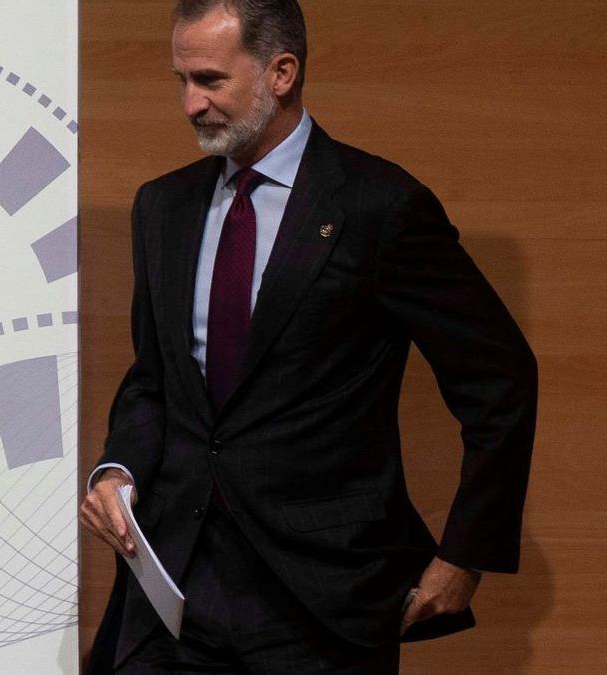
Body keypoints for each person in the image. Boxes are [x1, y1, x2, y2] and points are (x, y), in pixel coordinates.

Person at [79, 0, 538, 672]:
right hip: (174, 588)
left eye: (209, 80)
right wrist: (116, 467)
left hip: (321, 600)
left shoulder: (379, 206)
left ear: (281, 72)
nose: (189, 103)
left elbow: (499, 378)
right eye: (180, 80)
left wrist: (466, 553)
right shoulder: (162, 207)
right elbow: (156, 380)